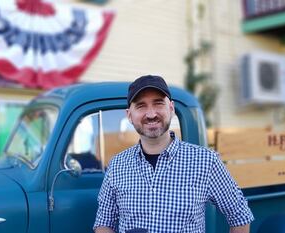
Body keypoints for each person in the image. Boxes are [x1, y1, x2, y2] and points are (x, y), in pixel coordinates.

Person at [93, 75, 254, 233]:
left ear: (170, 108)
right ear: (129, 115)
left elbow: (239, 215)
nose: (151, 114)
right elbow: (103, 223)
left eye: (158, 104)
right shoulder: (117, 165)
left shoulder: (206, 162)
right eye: (141, 106)